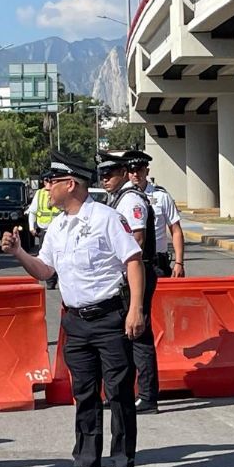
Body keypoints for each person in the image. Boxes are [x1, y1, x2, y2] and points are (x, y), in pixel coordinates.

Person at [0, 152, 145, 467]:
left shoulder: (107, 218)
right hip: (75, 322)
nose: (47, 188)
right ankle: (87, 463)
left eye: (52, 181)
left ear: (71, 184)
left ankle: (124, 464)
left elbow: (133, 261)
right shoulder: (58, 226)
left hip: (110, 317)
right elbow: (46, 270)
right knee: (84, 394)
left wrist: (136, 309)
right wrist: (19, 254)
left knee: (119, 393)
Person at [99, 153, 160, 415]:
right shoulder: (119, 198)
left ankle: (147, 396)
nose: (105, 180)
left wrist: (123, 273)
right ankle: (129, 392)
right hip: (130, 272)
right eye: (102, 175)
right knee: (128, 335)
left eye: (110, 174)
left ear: (124, 173)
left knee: (138, 334)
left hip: (137, 272)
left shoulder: (131, 200)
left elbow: (137, 240)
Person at [124, 150, 186, 278]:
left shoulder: (161, 196)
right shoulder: (121, 197)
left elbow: (175, 230)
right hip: (130, 260)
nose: (136, 174)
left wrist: (179, 262)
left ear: (147, 171)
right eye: (132, 171)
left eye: (139, 170)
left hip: (157, 262)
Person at [27, 181, 60, 288]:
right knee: (46, 258)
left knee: (59, 256)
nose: (48, 185)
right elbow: (33, 211)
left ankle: (58, 278)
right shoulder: (40, 194)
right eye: (47, 181)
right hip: (44, 230)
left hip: (60, 230)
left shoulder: (59, 192)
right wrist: (31, 227)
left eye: (51, 181)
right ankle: (50, 282)